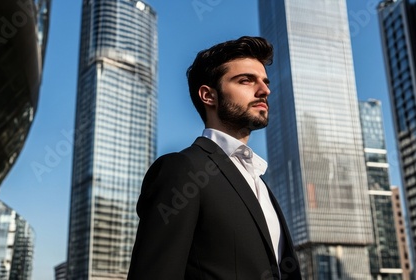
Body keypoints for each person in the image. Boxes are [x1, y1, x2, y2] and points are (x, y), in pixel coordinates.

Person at [128, 36, 302, 280]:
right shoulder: (182, 169)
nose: (265, 90)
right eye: (246, 80)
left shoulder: (259, 182)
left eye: (265, 81)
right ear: (208, 96)